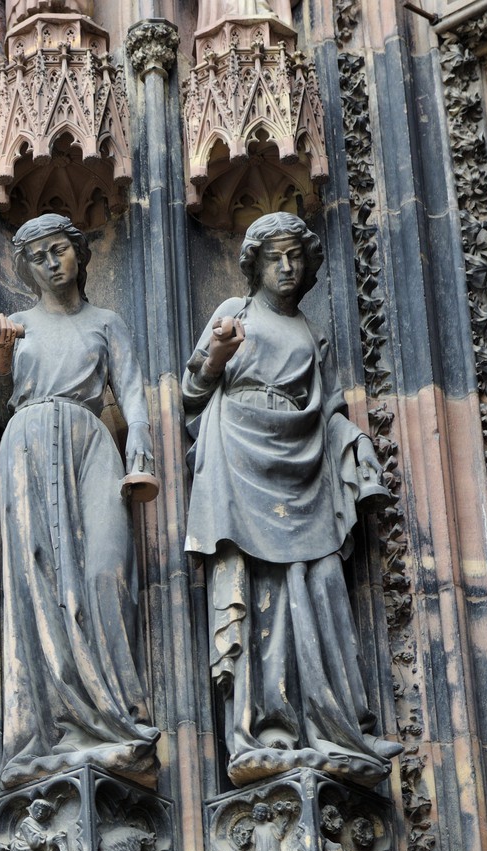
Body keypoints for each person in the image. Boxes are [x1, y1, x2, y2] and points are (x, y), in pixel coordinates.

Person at [184, 212, 401, 787]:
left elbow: (327, 408)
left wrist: (354, 443)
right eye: (275, 257)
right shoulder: (235, 313)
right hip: (242, 456)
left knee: (323, 585)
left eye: (296, 257)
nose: (286, 267)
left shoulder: (311, 332)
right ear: (254, 264)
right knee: (263, 593)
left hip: (303, 464)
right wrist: (218, 354)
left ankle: (342, 728)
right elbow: (191, 393)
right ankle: (264, 731)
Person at [0, 213, 159, 788]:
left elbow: (130, 391)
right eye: (38, 257)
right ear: (26, 269)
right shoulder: (17, 325)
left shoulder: (106, 322)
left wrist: (141, 446)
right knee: (38, 580)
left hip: (90, 441)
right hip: (28, 442)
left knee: (107, 572)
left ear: (79, 253)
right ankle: (53, 725)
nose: (51, 263)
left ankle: (115, 713)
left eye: (58, 250)